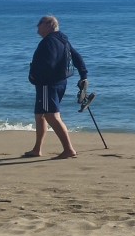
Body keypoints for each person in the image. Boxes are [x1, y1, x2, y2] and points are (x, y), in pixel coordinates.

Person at [25, 15, 88, 159]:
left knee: (51, 115)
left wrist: (35, 77)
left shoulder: (49, 42)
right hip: (58, 82)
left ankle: (68, 149)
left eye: (39, 24)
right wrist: (83, 74)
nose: (37, 27)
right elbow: (77, 57)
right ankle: (37, 149)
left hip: (48, 84)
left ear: (48, 25)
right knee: (40, 115)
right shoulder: (62, 39)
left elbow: (49, 64)